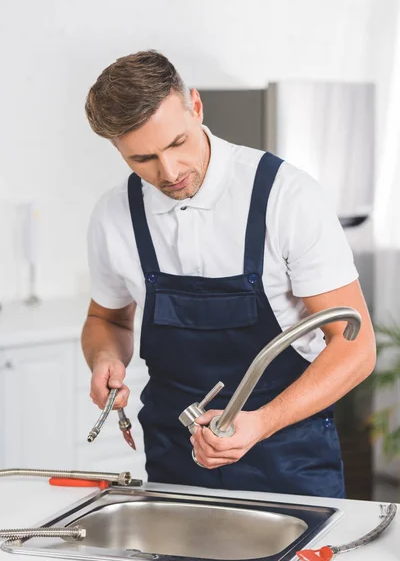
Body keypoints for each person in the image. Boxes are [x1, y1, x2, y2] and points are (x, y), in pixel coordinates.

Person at [81, 49, 376, 497]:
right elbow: (108, 319)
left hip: (289, 459)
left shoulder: (286, 197)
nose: (170, 172)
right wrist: (105, 360)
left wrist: (262, 422)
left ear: (195, 106)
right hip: (175, 465)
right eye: (143, 159)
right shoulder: (113, 214)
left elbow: (355, 349)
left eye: (178, 143)